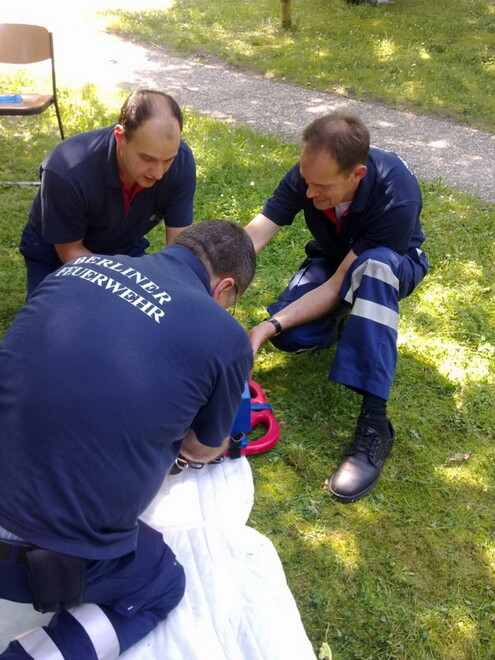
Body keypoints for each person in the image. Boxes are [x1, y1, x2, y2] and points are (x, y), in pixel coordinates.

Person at [0, 219, 256, 658]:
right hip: (31, 563)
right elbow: (201, 448)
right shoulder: (225, 337)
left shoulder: (77, 268)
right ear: (224, 288)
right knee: (162, 583)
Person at [245, 112, 429, 503]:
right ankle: (353, 323)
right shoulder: (310, 174)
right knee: (293, 337)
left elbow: (334, 286)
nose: (309, 194)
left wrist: (262, 328)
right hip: (335, 258)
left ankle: (375, 427)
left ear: (357, 174)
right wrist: (209, 279)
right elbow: (256, 233)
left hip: (391, 265)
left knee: (373, 270)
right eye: (306, 181)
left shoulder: (398, 194)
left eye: (321, 187)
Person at [19, 88, 197, 297]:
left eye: (168, 160)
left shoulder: (181, 161)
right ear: (120, 136)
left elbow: (179, 244)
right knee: (56, 324)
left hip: (123, 246)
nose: (159, 173)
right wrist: (124, 286)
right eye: (147, 159)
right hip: (56, 254)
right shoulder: (67, 171)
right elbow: (70, 251)